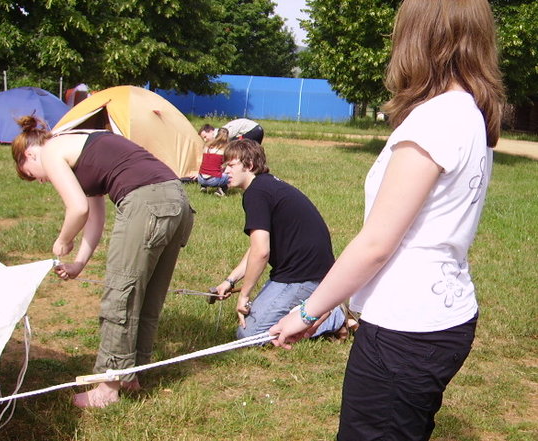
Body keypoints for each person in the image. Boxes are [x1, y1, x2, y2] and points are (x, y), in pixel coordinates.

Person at [270, 0, 505, 439]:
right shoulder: (468, 112)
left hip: (409, 331)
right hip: (436, 321)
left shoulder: (436, 119)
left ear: (420, 37)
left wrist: (307, 311)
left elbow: (377, 243)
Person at [11, 117, 194, 409]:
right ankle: (131, 375)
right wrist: (79, 263)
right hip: (178, 201)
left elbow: (78, 209)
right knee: (146, 294)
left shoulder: (50, 150)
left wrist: (64, 240)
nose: (41, 180)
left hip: (145, 202)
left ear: (30, 155)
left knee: (120, 294)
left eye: (32, 174)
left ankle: (107, 388)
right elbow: (96, 218)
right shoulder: (84, 143)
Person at [214, 138, 346, 340]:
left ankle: (333, 316)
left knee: (248, 335)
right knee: (262, 324)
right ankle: (316, 307)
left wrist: (244, 295)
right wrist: (230, 280)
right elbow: (257, 247)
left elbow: (261, 252)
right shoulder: (264, 187)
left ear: (249, 165)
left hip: (302, 275)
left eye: (231, 165)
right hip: (304, 270)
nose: (225, 172)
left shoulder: (256, 193)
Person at [197, 127, 230, 196]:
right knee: (229, 174)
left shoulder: (207, 147)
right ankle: (221, 191)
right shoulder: (224, 150)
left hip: (200, 178)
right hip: (213, 180)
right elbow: (225, 166)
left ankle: (203, 186)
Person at [199, 118, 264, 144]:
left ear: (210, 131)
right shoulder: (222, 130)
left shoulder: (220, 133)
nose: (205, 140)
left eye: (205, 137)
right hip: (258, 129)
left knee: (234, 146)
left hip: (253, 130)